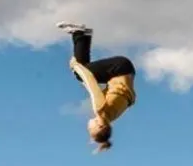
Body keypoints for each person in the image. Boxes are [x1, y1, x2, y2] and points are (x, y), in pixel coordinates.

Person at [56, 21, 137, 153]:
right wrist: (75, 66)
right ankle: (80, 33)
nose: (88, 126)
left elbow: (92, 87)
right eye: (90, 129)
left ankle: (84, 34)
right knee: (81, 72)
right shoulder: (100, 110)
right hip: (119, 68)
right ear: (100, 126)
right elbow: (92, 85)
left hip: (126, 71)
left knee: (82, 72)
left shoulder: (112, 115)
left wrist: (81, 75)